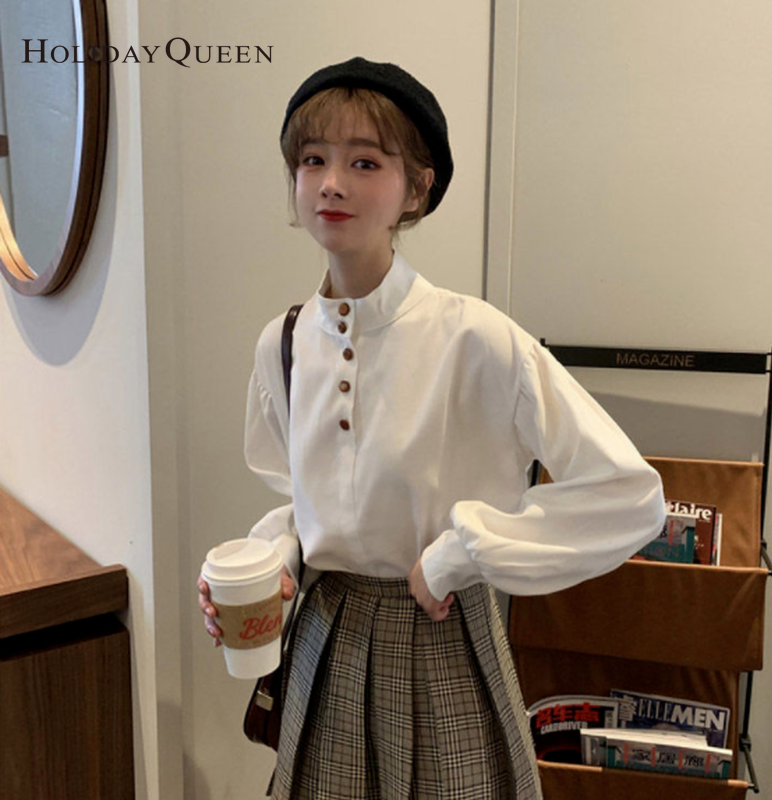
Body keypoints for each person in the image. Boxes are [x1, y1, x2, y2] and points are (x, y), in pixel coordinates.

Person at [198, 56, 666, 800]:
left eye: (365, 161)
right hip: (325, 636)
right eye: (313, 159)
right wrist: (275, 563)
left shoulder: (476, 338)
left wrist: (458, 554)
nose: (331, 183)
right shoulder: (282, 342)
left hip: (440, 635)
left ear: (416, 188)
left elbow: (628, 495)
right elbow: (303, 495)